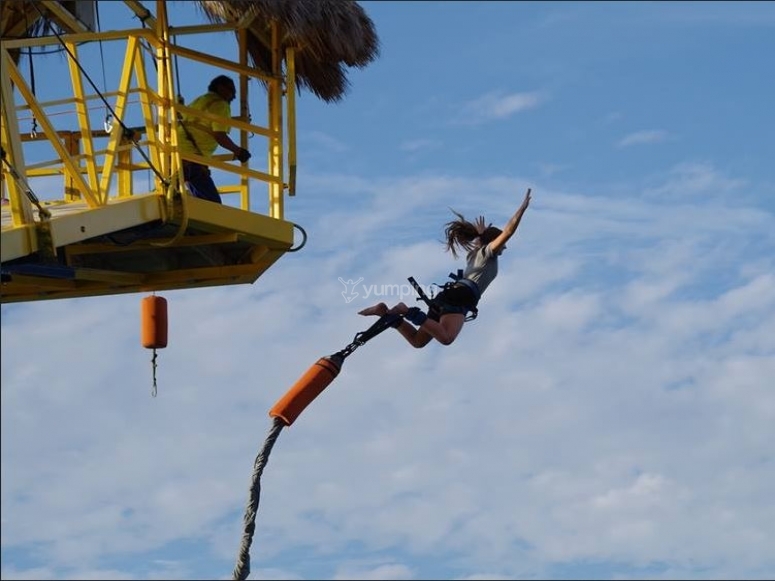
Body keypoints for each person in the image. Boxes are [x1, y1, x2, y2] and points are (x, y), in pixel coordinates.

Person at [358, 188, 532, 347]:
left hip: (450, 296)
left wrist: (481, 234)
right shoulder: (487, 253)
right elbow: (508, 232)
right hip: (461, 297)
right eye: (502, 243)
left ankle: (387, 314)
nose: (505, 246)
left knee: (418, 341)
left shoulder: (476, 253)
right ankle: (406, 310)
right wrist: (521, 209)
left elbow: (482, 239)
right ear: (493, 242)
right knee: (446, 338)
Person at [175, 75, 251, 204]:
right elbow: (219, 135)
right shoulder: (220, 105)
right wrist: (238, 151)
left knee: (174, 185)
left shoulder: (201, 100)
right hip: (191, 156)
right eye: (231, 91)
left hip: (179, 150)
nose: (233, 96)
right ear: (220, 88)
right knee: (211, 203)